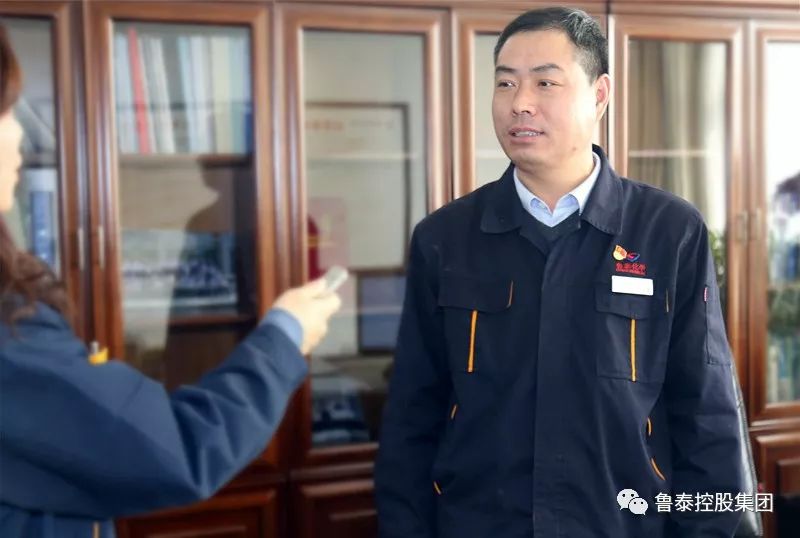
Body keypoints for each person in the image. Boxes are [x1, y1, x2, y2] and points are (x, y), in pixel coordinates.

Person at [375, 7, 745, 538]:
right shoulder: (444, 238)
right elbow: (411, 417)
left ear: (599, 95)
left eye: (545, 82)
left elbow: (707, 415)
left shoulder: (669, 231)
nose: (519, 103)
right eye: (505, 83)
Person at [0, 25, 341, 537]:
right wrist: (286, 333)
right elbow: (179, 447)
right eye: (8, 111)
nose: (21, 135)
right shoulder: (10, 336)